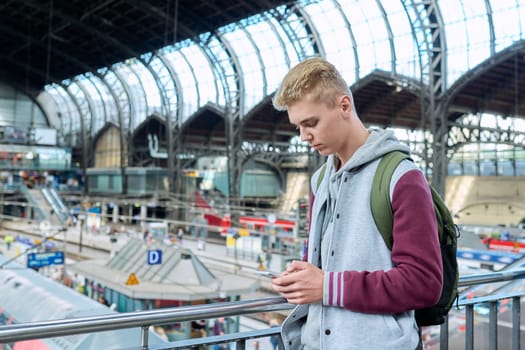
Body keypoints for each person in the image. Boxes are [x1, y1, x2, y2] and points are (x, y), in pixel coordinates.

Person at [269, 57, 443, 350]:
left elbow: (424, 282)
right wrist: (303, 277)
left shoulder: (401, 177)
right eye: (298, 126)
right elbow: (326, 265)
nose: (303, 136)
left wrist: (327, 286)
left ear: (344, 106)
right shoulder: (320, 180)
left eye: (311, 123)